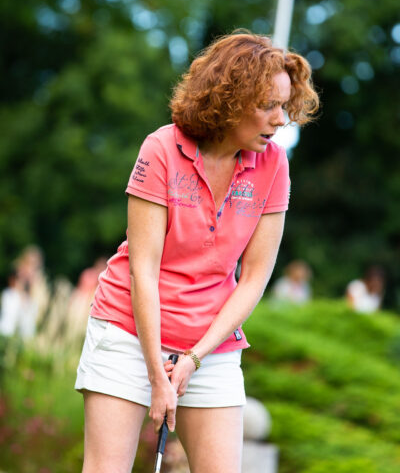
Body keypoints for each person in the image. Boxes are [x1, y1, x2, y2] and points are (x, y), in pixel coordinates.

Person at [74, 31, 319, 473]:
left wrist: (193, 358)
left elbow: (255, 278)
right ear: (229, 100)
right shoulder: (162, 148)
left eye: (285, 105)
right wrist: (155, 372)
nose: (280, 119)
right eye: (268, 105)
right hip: (129, 333)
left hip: (211, 344)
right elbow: (143, 270)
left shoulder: (274, 165)